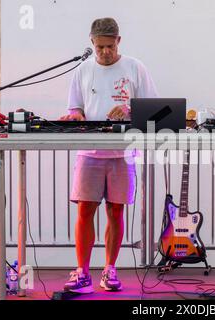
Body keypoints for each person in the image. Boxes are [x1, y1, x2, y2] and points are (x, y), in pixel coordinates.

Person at [60, 17, 158, 293]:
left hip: (122, 153)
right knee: (85, 210)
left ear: (119, 41)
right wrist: (74, 116)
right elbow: (75, 108)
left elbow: (156, 110)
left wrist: (130, 111)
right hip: (89, 152)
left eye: (110, 46)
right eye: (100, 46)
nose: (105, 52)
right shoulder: (82, 70)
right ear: (91, 43)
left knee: (116, 211)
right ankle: (82, 271)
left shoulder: (135, 68)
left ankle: (110, 270)